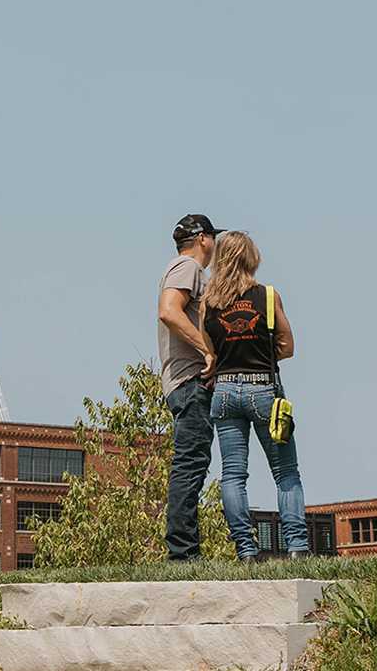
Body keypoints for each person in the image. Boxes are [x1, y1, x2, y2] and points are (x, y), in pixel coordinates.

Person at [201, 231, 310, 562]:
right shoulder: (268, 296)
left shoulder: (209, 303)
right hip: (263, 390)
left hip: (223, 392)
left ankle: (246, 552)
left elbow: (211, 355)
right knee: (286, 472)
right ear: (252, 258)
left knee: (233, 475)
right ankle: (297, 548)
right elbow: (288, 347)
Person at [157, 213, 224, 562]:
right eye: (213, 237)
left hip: (184, 384)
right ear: (202, 239)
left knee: (192, 463)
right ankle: (182, 554)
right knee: (190, 464)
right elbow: (169, 311)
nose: (215, 245)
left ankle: (183, 551)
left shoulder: (186, 270)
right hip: (191, 383)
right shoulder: (188, 269)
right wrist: (207, 349)